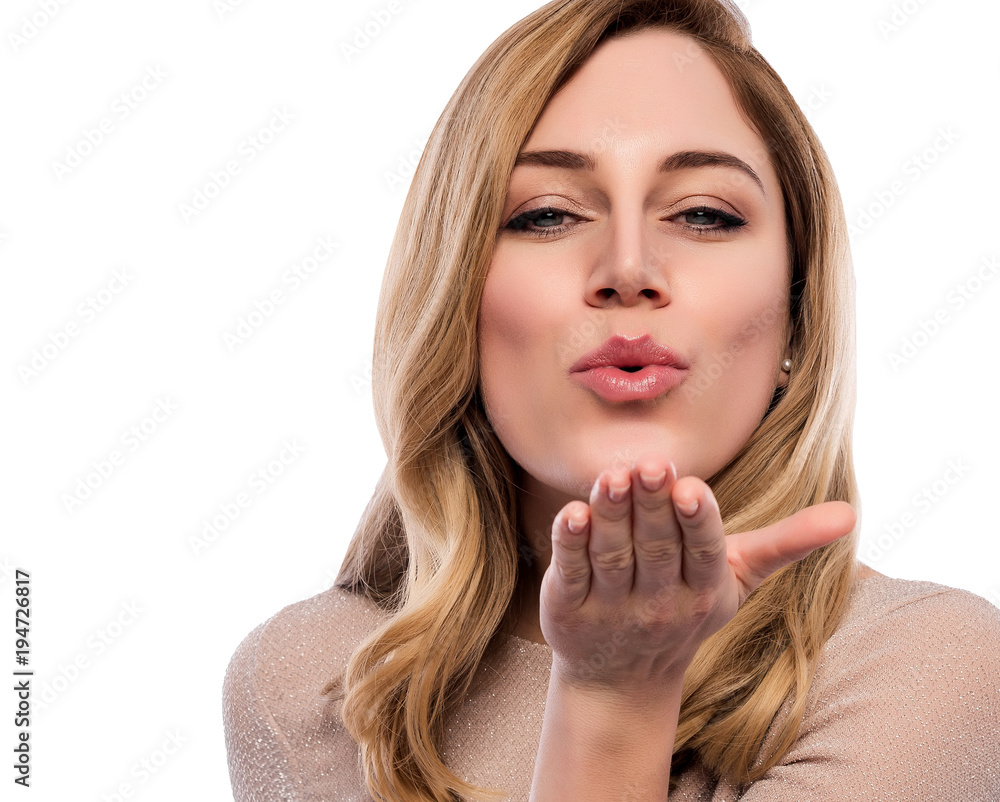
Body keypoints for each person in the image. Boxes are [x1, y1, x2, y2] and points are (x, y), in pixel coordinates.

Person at [222, 1, 1000, 799]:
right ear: (455, 300)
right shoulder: (313, 681)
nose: (628, 268)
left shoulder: (931, 670)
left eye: (703, 214)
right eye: (547, 215)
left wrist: (617, 691)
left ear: (798, 313)